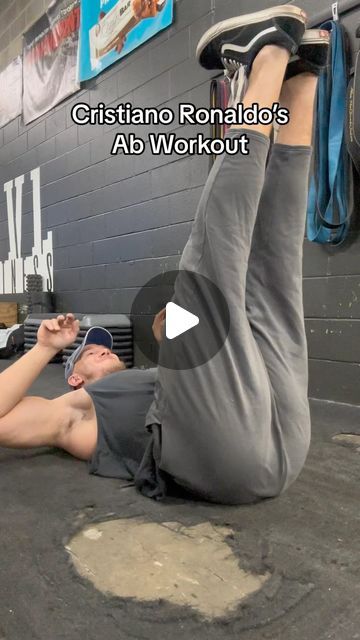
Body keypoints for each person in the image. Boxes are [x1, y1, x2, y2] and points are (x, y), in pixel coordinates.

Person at [0, 5, 330, 503]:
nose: (101, 347)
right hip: (226, 457)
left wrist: (165, 328)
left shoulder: (157, 381)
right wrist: (45, 348)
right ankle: (267, 55)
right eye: (90, 352)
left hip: (279, 442)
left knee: (274, 274)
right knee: (211, 267)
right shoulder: (75, 412)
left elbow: (184, 348)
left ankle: (301, 80)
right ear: (74, 378)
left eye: (98, 345)